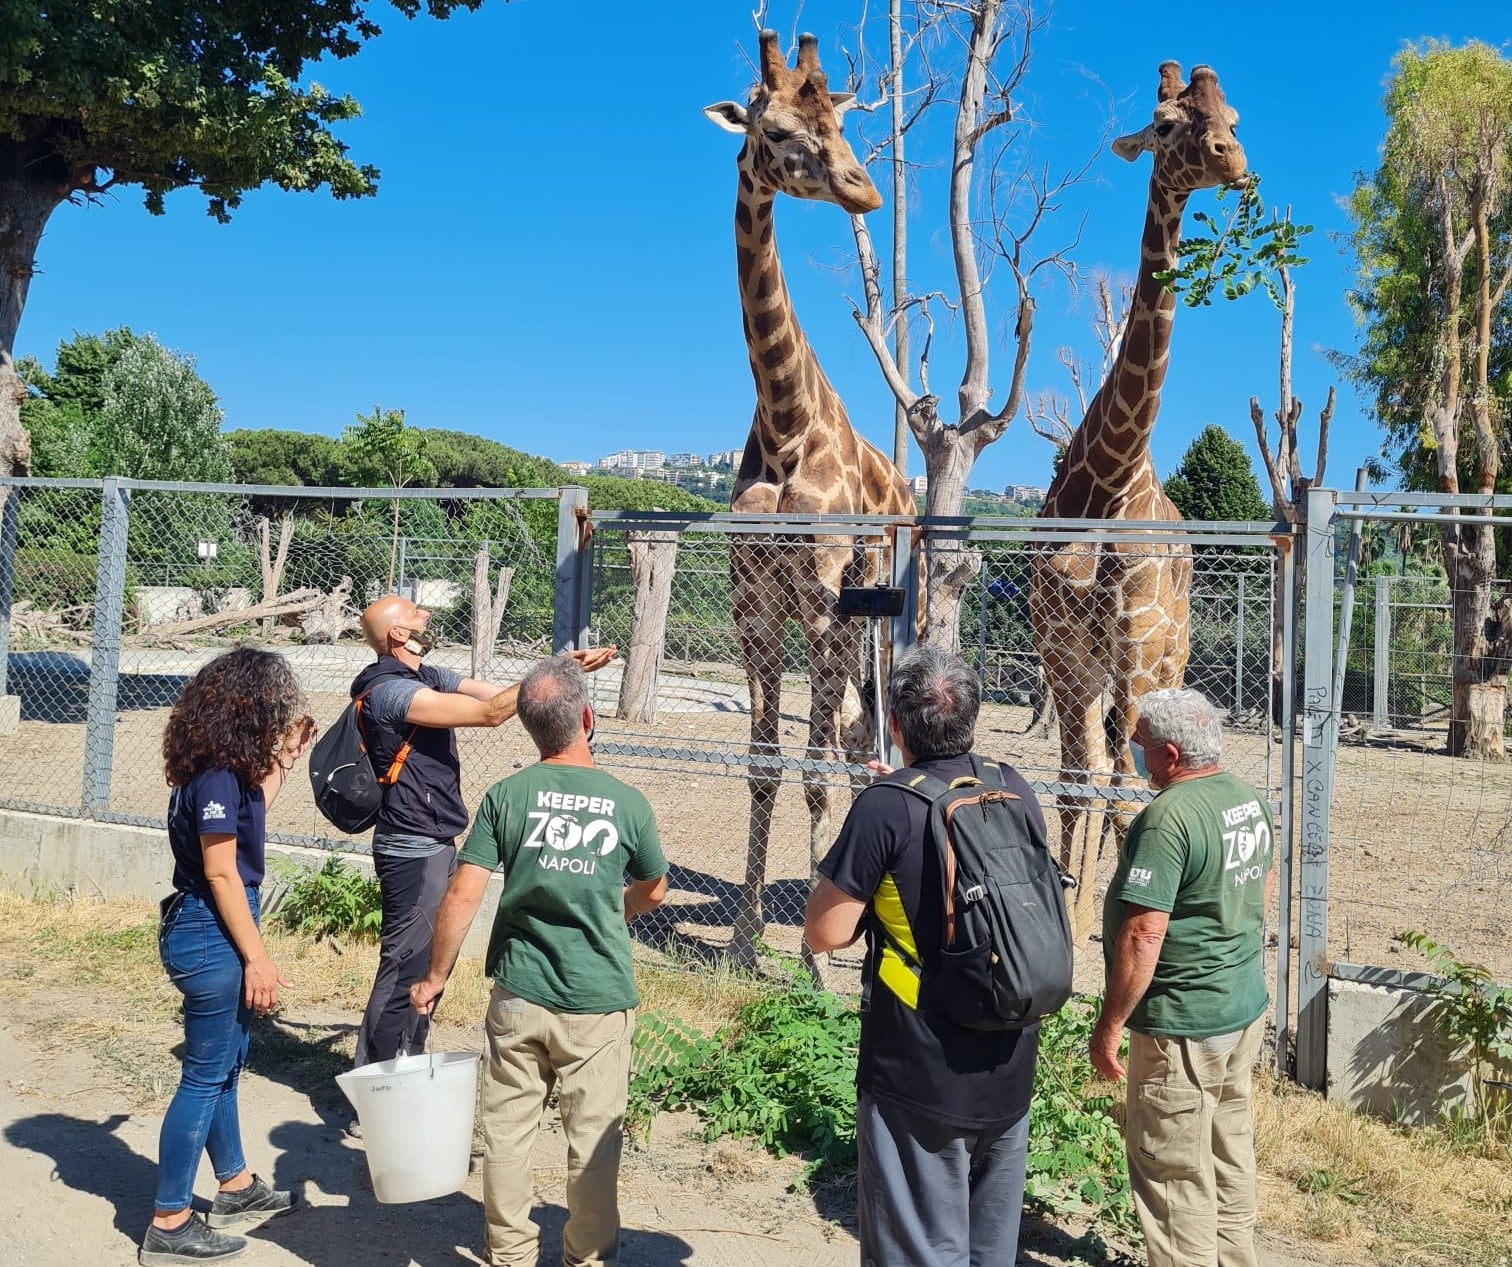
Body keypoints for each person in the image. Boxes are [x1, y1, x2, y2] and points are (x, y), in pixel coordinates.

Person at [410, 654, 668, 1267]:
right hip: (597, 999)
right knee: (594, 1141)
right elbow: (655, 888)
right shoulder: (627, 803)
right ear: (586, 716)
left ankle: (510, 1254)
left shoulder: (508, 796)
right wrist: (614, 912)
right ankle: (585, 1257)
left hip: (518, 994)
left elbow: (464, 891)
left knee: (507, 1131)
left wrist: (435, 975)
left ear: (527, 725)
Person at [804, 645, 1043, 1267]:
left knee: (919, 1251)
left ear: (895, 724)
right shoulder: (1012, 787)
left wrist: (883, 809)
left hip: (920, 1075)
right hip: (1010, 1063)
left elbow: (825, 932)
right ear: (972, 715)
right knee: (989, 1253)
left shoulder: (887, 806)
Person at [349, 594, 614, 1074]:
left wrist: (559, 677)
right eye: (414, 613)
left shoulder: (424, 676)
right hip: (412, 847)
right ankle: (375, 1082)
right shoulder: (393, 692)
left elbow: (509, 695)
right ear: (398, 636)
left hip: (432, 840)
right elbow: (492, 712)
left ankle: (406, 1065)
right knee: (405, 965)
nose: (425, 614)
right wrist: (552, 667)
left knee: (430, 962)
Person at [142, 647, 317, 1266]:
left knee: (224, 1065)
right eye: (279, 703)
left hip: (214, 925)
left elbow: (251, 821)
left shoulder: (223, 770)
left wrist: (284, 758)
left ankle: (236, 1187)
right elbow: (221, 872)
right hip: (212, 929)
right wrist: (258, 959)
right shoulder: (215, 777)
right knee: (204, 1075)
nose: (285, 711)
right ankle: (169, 1221)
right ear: (251, 706)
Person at [1090, 687, 1277, 1267]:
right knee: (1228, 1152)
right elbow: (1263, 885)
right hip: (1239, 1010)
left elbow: (1145, 932)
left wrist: (1111, 1024)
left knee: (1172, 1177)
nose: (1134, 752)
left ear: (1170, 755)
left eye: (1140, 743)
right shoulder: (1246, 799)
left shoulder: (1167, 818)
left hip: (1183, 1026)